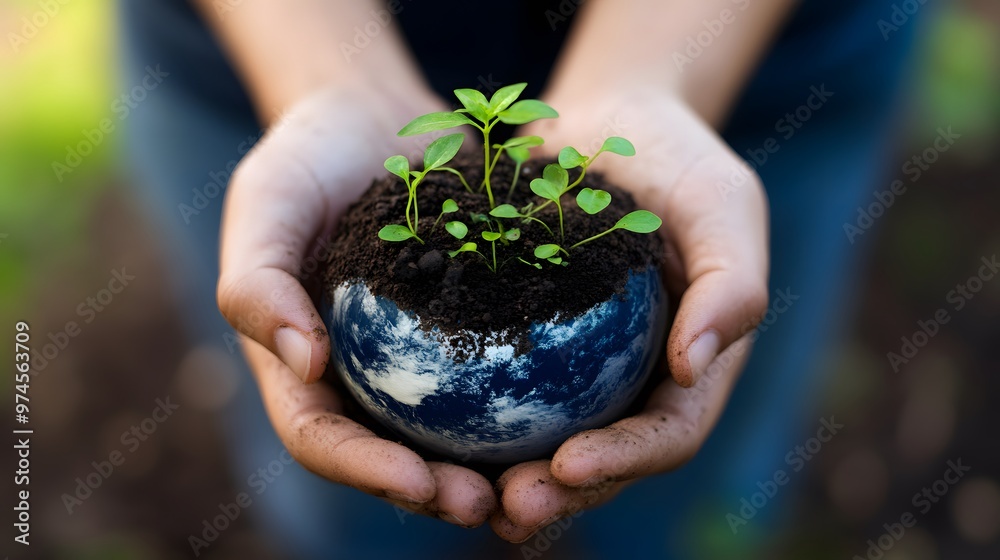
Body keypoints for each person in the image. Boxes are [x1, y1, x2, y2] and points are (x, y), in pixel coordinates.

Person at [121, 0, 923, 557]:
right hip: (257, 52)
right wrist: (329, 81)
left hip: (760, 67)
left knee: (691, 493)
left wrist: (648, 76)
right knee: (356, 506)